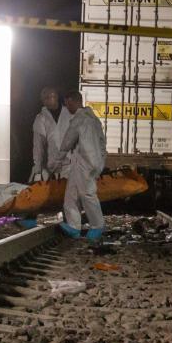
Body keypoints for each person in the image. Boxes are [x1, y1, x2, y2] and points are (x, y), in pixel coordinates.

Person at [49, 91, 107, 240]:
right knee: (71, 195)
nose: (67, 108)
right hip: (90, 161)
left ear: (74, 101)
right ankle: (74, 226)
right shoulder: (94, 119)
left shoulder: (79, 119)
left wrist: (56, 162)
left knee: (87, 194)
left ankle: (97, 225)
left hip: (84, 161)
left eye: (68, 104)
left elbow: (67, 142)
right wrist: (101, 161)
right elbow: (102, 142)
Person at [29, 86, 72, 182]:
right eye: (44, 99)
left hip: (70, 166)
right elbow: (38, 145)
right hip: (51, 169)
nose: (46, 101)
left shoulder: (69, 114)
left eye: (48, 97)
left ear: (56, 96)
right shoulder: (41, 118)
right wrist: (38, 169)